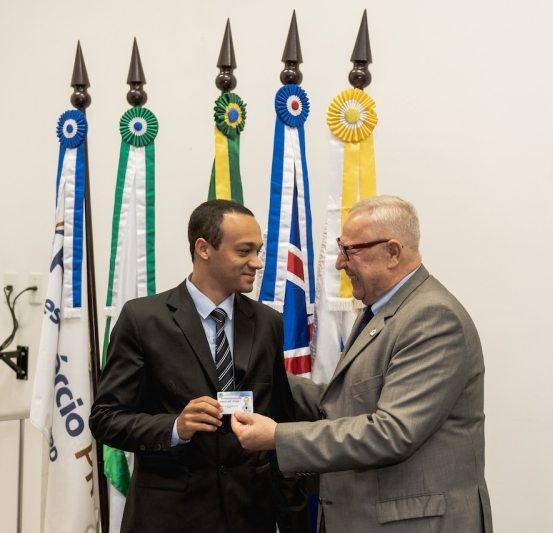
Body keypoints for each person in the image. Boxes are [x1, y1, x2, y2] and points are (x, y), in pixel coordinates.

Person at [231, 195, 493, 533]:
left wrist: (277, 437)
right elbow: (342, 405)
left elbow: (392, 433)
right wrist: (262, 376)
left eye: (350, 250)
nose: (340, 263)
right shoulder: (379, 312)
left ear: (393, 252)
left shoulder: (432, 317)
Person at [90, 200, 310, 533]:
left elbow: (281, 423)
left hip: (250, 515)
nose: (257, 262)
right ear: (203, 248)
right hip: (170, 518)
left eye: (258, 251)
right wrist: (175, 427)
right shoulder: (143, 319)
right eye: (244, 251)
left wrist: (294, 518)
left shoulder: (268, 323)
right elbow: (106, 418)